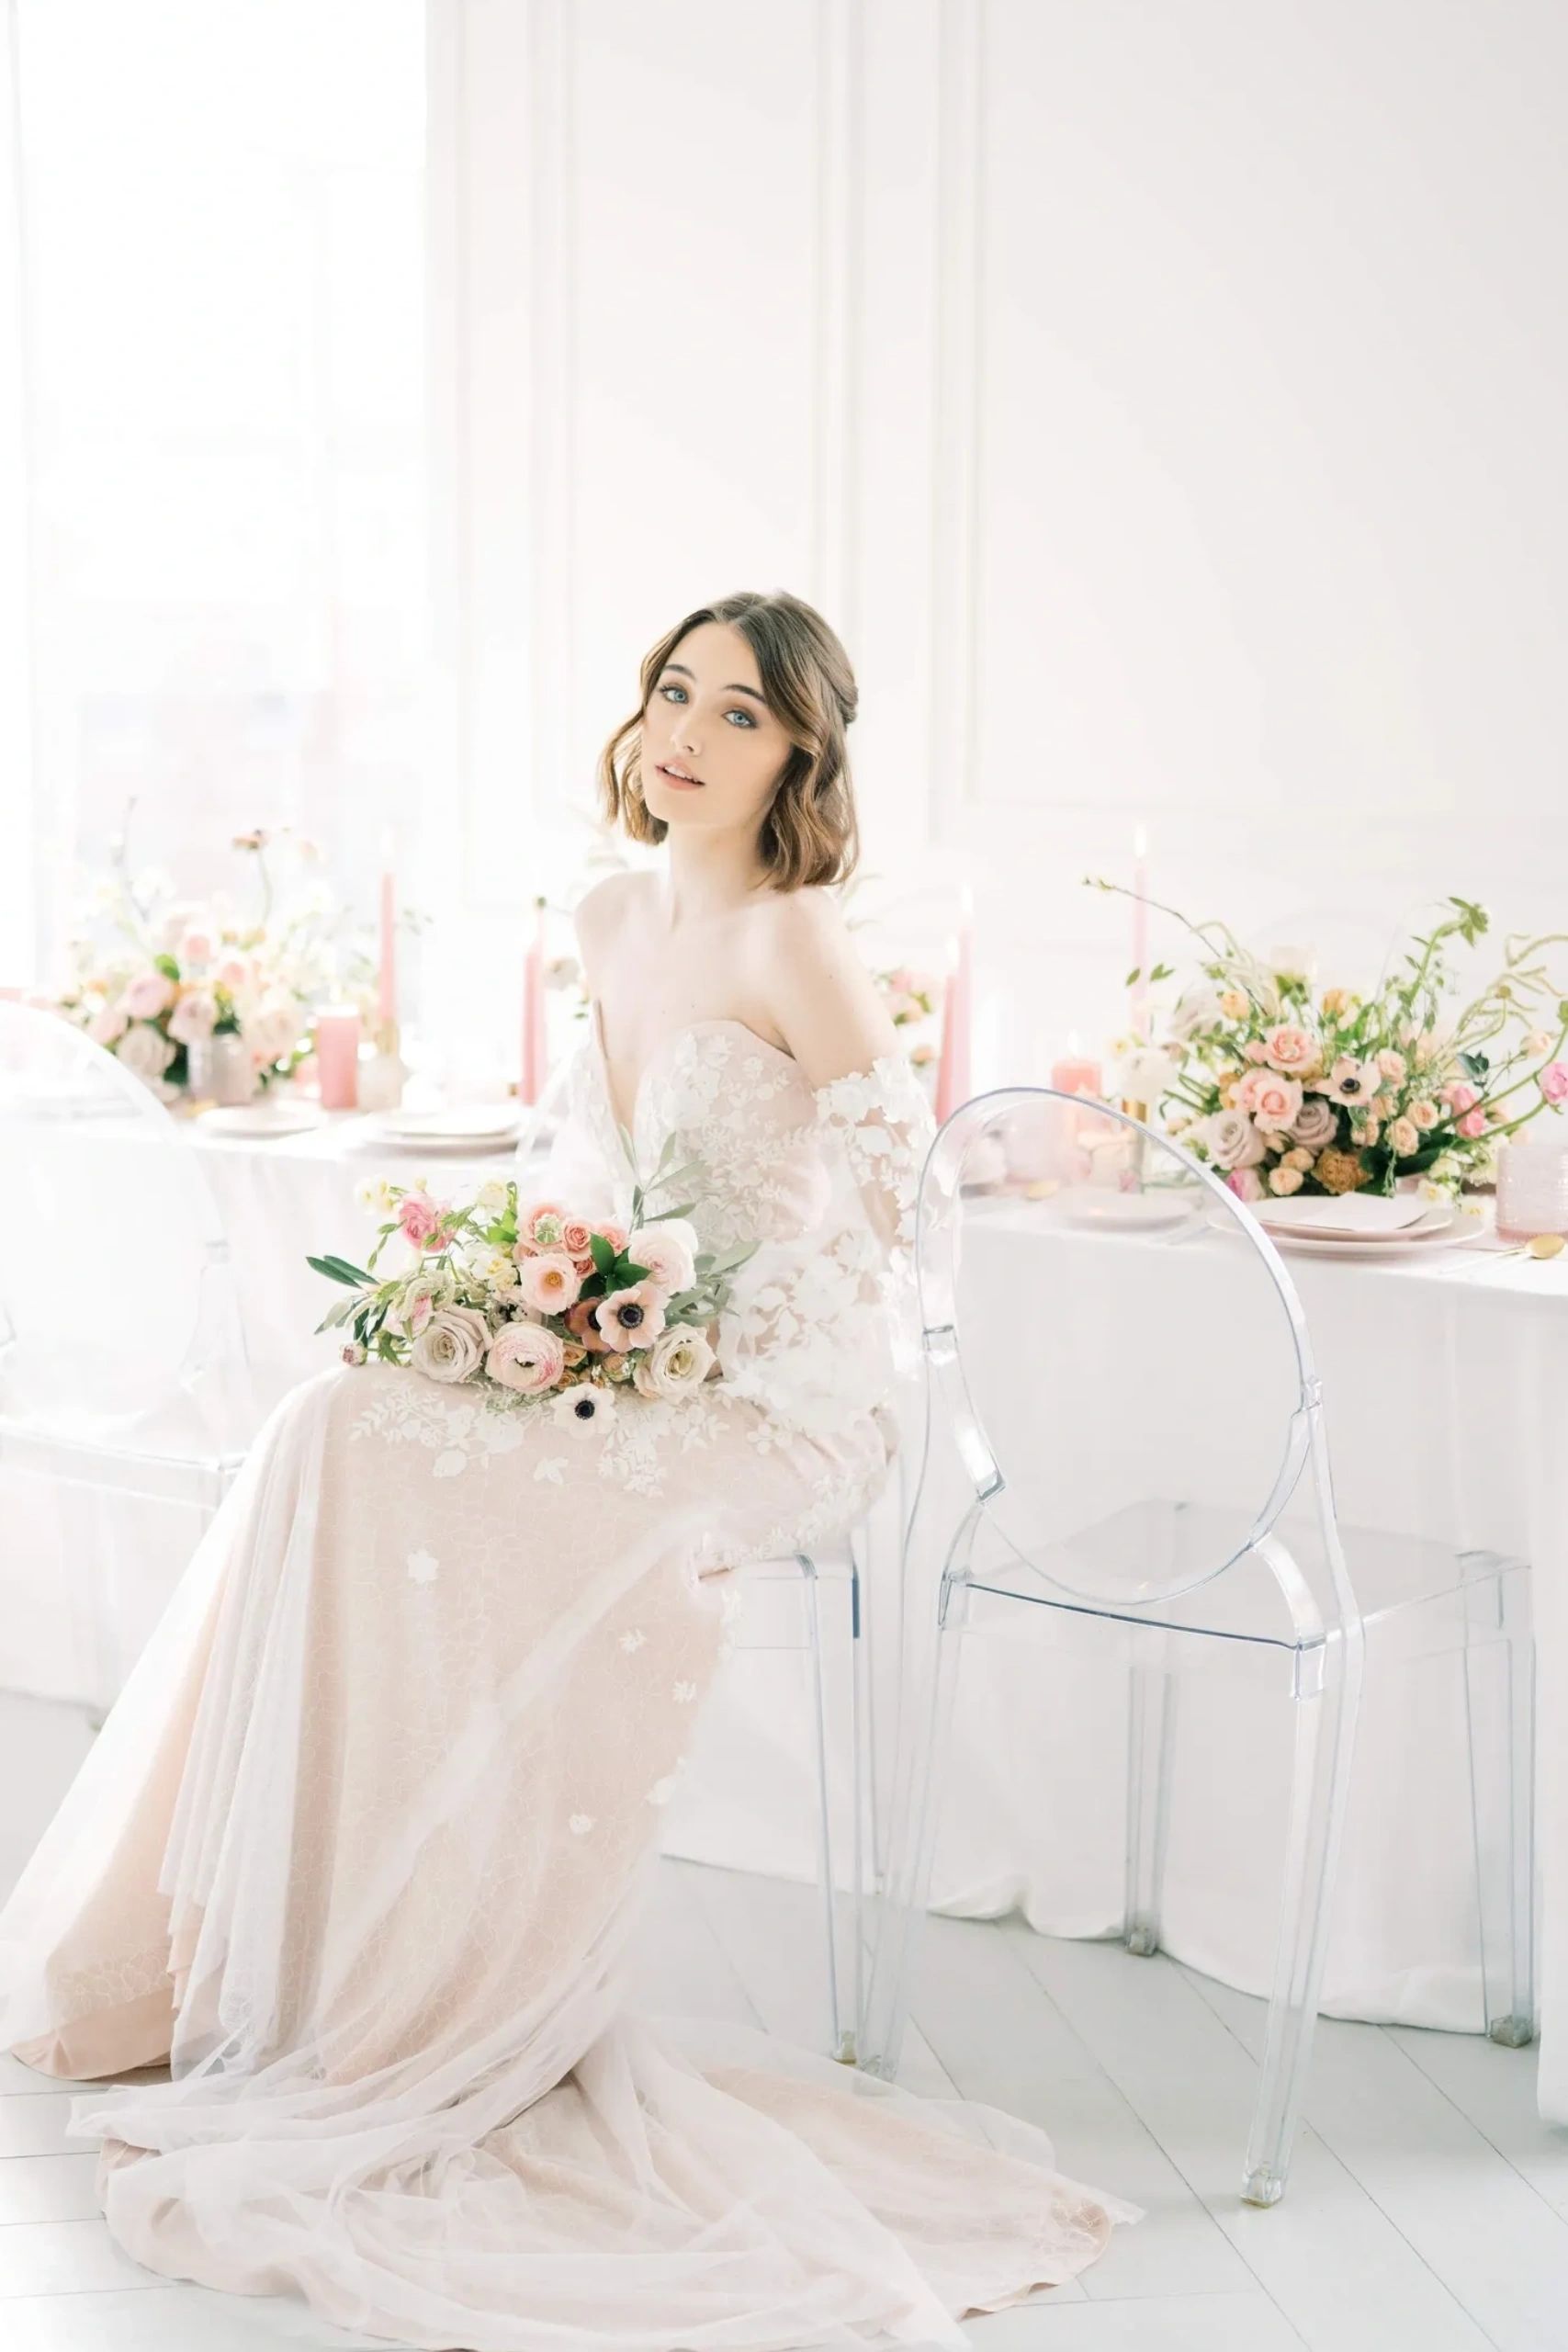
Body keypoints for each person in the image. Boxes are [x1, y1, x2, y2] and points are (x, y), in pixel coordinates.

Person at [0, 590, 1139, 2347]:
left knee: (479, 1492)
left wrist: (695, 1342)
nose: (687, 732)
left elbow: (901, 1221)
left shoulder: (796, 941)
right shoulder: (605, 916)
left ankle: (452, 1999)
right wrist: (572, 1307)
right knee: (332, 1426)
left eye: (741, 715)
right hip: (640, 1353)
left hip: (785, 1404)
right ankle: (297, 1973)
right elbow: (583, 1175)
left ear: (800, 757)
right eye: (675, 693)